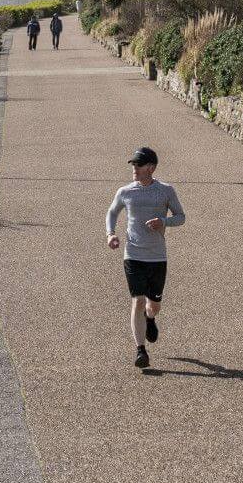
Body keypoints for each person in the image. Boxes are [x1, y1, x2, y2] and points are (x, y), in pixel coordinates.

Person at [105, 146, 185, 369]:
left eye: (138, 165)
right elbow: (112, 212)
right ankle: (141, 350)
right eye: (133, 165)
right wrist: (111, 234)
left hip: (157, 257)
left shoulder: (166, 191)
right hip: (133, 254)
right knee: (138, 300)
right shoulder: (125, 192)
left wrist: (164, 221)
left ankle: (150, 319)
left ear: (151, 167)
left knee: (153, 306)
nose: (134, 168)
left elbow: (181, 217)